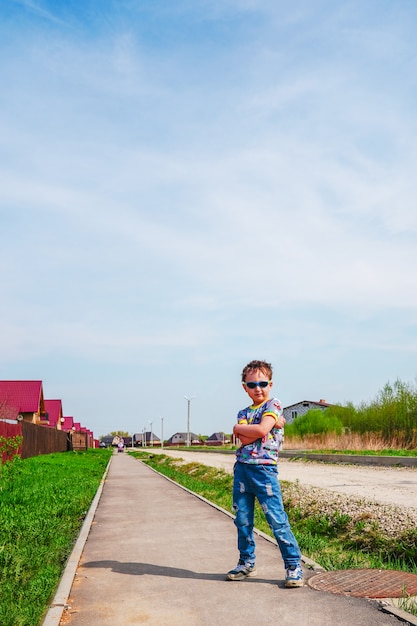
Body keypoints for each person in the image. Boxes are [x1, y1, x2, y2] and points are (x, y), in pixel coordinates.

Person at [226, 359, 304, 588]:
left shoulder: (274, 405)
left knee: (276, 520)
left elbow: (259, 430)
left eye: (262, 383)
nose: (257, 388)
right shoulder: (244, 411)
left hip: (264, 471)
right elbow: (247, 436)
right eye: (252, 384)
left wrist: (240, 428)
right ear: (244, 387)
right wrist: (247, 430)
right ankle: (246, 562)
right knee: (242, 520)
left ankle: (293, 565)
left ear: (271, 384)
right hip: (242, 470)